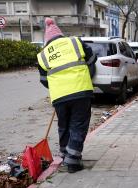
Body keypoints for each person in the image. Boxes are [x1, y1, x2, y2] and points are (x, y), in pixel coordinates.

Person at [37, 18, 97, 173]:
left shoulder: (43, 55)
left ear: (47, 40)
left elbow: (44, 80)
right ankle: (73, 161)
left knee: (64, 125)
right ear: (60, 35)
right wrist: (88, 74)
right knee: (78, 124)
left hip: (59, 97)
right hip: (80, 90)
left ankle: (65, 154)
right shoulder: (75, 42)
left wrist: (59, 87)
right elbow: (92, 59)